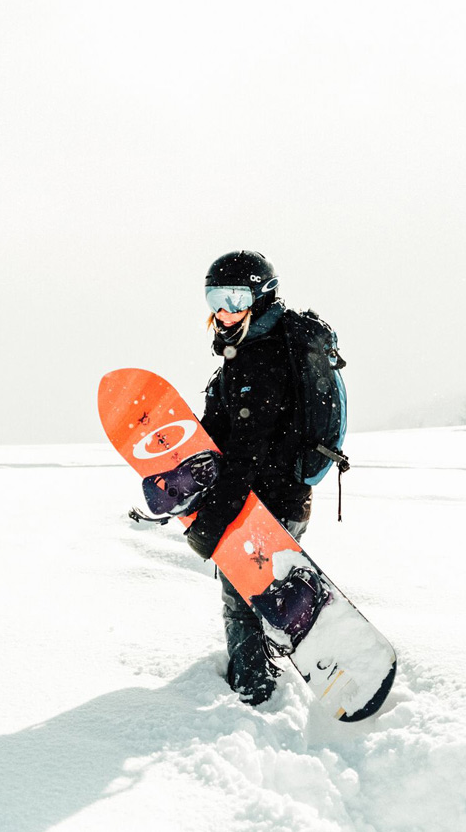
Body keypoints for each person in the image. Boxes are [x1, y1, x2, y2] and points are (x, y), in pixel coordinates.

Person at [184, 250, 312, 706]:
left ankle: (255, 694)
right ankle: (267, 665)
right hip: (280, 500)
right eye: (214, 296)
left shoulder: (261, 360)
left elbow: (246, 456)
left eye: (236, 297)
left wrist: (213, 520)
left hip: (264, 506)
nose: (223, 309)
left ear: (261, 298)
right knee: (260, 593)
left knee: (242, 601)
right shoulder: (255, 350)